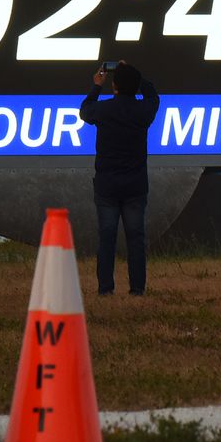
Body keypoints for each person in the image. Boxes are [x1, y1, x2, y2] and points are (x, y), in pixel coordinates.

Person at [80, 61, 160, 295]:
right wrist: (138, 76)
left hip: (107, 185)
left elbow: (85, 110)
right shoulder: (142, 111)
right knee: (136, 239)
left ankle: (105, 289)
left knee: (107, 238)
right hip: (135, 185)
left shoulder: (104, 110)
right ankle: (137, 289)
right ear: (135, 88)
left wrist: (96, 86)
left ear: (113, 85)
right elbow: (153, 98)